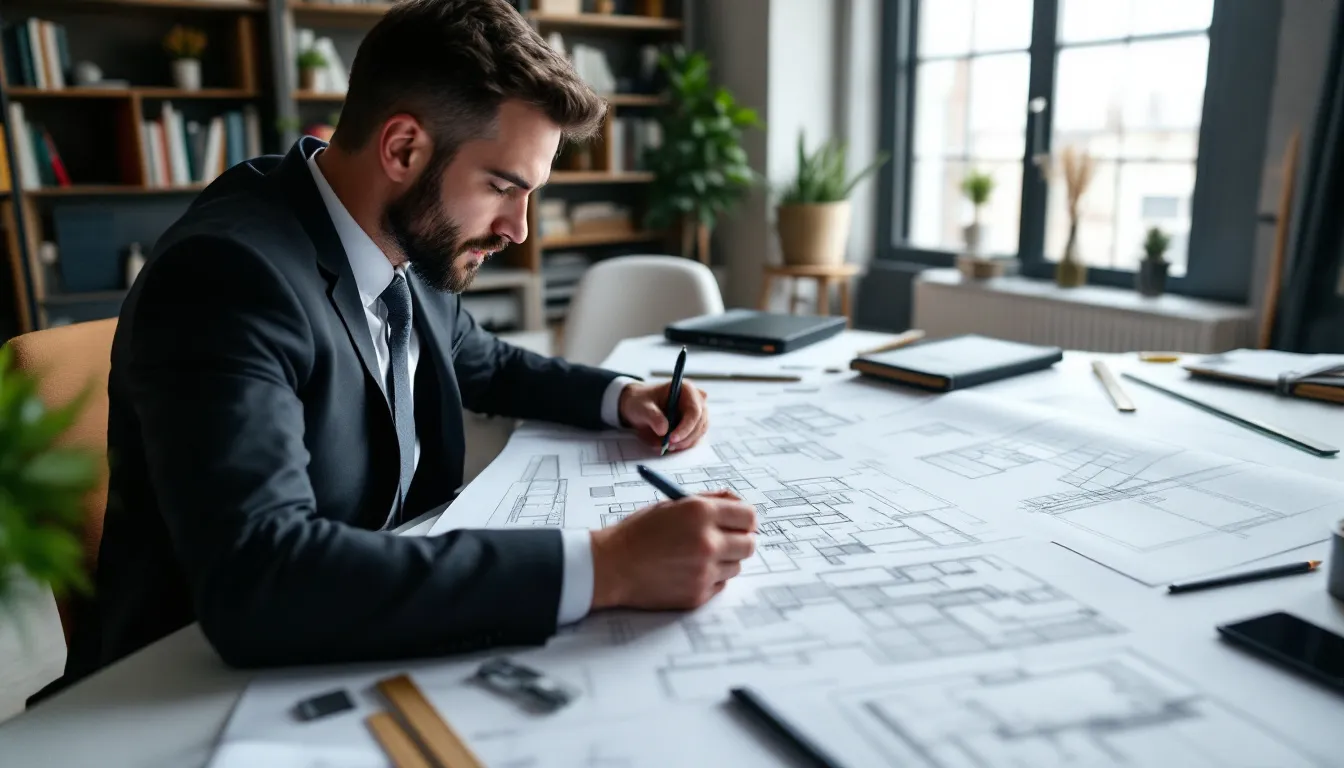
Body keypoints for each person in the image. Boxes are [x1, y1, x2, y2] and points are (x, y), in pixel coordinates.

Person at [60, 0, 757, 687]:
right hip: (192, 686)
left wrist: (618, 396)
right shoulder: (229, 276)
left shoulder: (397, 233)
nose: (518, 228)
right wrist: (607, 566)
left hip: (370, 623)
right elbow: (261, 580)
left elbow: (481, 360)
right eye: (502, 187)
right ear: (402, 148)